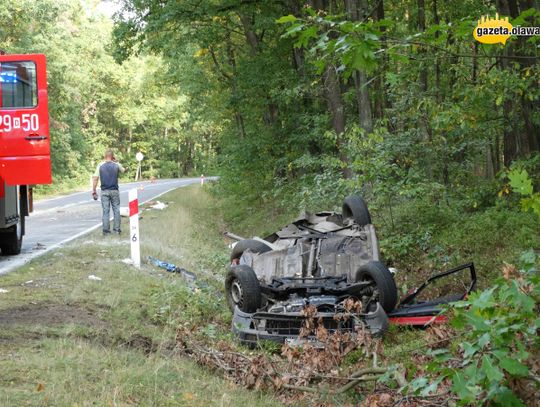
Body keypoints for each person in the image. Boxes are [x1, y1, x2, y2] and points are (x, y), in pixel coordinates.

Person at [92, 150, 125, 235]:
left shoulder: (100, 165)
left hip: (104, 191)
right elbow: (123, 171)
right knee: (116, 210)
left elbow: (95, 178)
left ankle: (106, 231)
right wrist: (116, 161)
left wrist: (94, 190)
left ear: (104, 156)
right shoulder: (117, 165)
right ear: (113, 156)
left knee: (106, 211)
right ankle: (117, 230)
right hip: (114, 190)